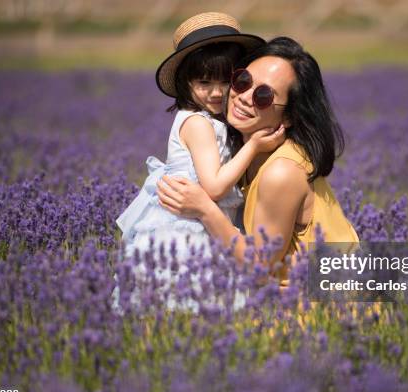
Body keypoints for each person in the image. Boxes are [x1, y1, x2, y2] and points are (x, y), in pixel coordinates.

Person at [112, 13, 283, 312]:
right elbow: (214, 187)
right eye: (204, 82)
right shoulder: (198, 125)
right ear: (185, 82)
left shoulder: (211, 121)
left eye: (225, 81)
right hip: (186, 231)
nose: (216, 92)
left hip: (200, 224)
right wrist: (254, 145)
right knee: (186, 301)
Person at [157, 37, 359, 287]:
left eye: (263, 96)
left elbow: (262, 267)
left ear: (289, 116)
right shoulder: (241, 154)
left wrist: (205, 210)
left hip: (322, 307)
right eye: (242, 81)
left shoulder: (281, 171)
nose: (243, 97)